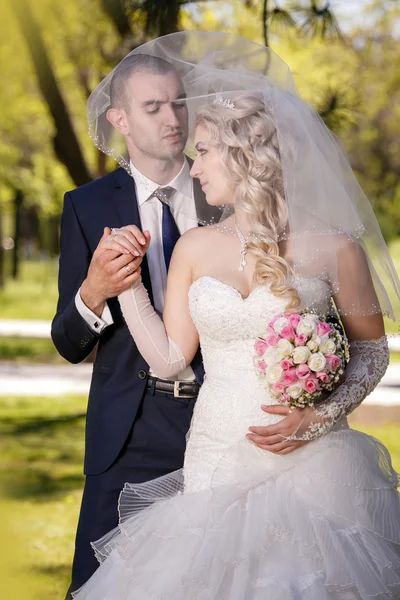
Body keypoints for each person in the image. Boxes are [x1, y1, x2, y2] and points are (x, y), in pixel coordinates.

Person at [72, 33, 400, 599]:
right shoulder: (193, 248)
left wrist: (316, 418)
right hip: (215, 455)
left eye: (203, 152)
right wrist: (125, 286)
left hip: (316, 462)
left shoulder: (335, 246)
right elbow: (172, 361)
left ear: (245, 154)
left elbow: (371, 349)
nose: (193, 168)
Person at [51, 52, 220, 597]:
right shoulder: (86, 205)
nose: (173, 118)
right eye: (153, 107)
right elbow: (67, 342)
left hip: (220, 423)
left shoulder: (227, 193)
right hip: (127, 431)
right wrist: (94, 289)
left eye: (178, 104)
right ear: (119, 118)